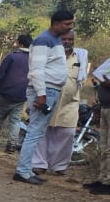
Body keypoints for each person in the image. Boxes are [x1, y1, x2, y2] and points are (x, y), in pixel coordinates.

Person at [14, 9, 76, 184]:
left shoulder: (54, 40)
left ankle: (25, 169)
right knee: (34, 132)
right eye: (67, 24)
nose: (70, 27)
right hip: (44, 91)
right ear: (56, 23)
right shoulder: (44, 41)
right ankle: (23, 171)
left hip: (50, 90)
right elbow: (36, 70)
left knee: (37, 132)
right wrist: (41, 94)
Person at [32, 31, 86, 175]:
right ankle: (39, 164)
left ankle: (59, 166)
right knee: (42, 132)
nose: (67, 41)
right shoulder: (50, 54)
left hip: (69, 104)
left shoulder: (80, 56)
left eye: (70, 39)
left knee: (66, 133)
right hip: (48, 99)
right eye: (64, 39)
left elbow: (82, 79)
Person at [0, 34, 32, 151]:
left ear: (20, 44)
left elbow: (0, 74)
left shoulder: (12, 57)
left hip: (5, 94)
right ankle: (11, 145)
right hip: (21, 96)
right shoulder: (33, 60)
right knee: (15, 120)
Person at [85, 57, 110, 195]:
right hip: (105, 107)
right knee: (104, 146)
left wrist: (107, 83)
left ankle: (108, 182)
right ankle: (102, 178)